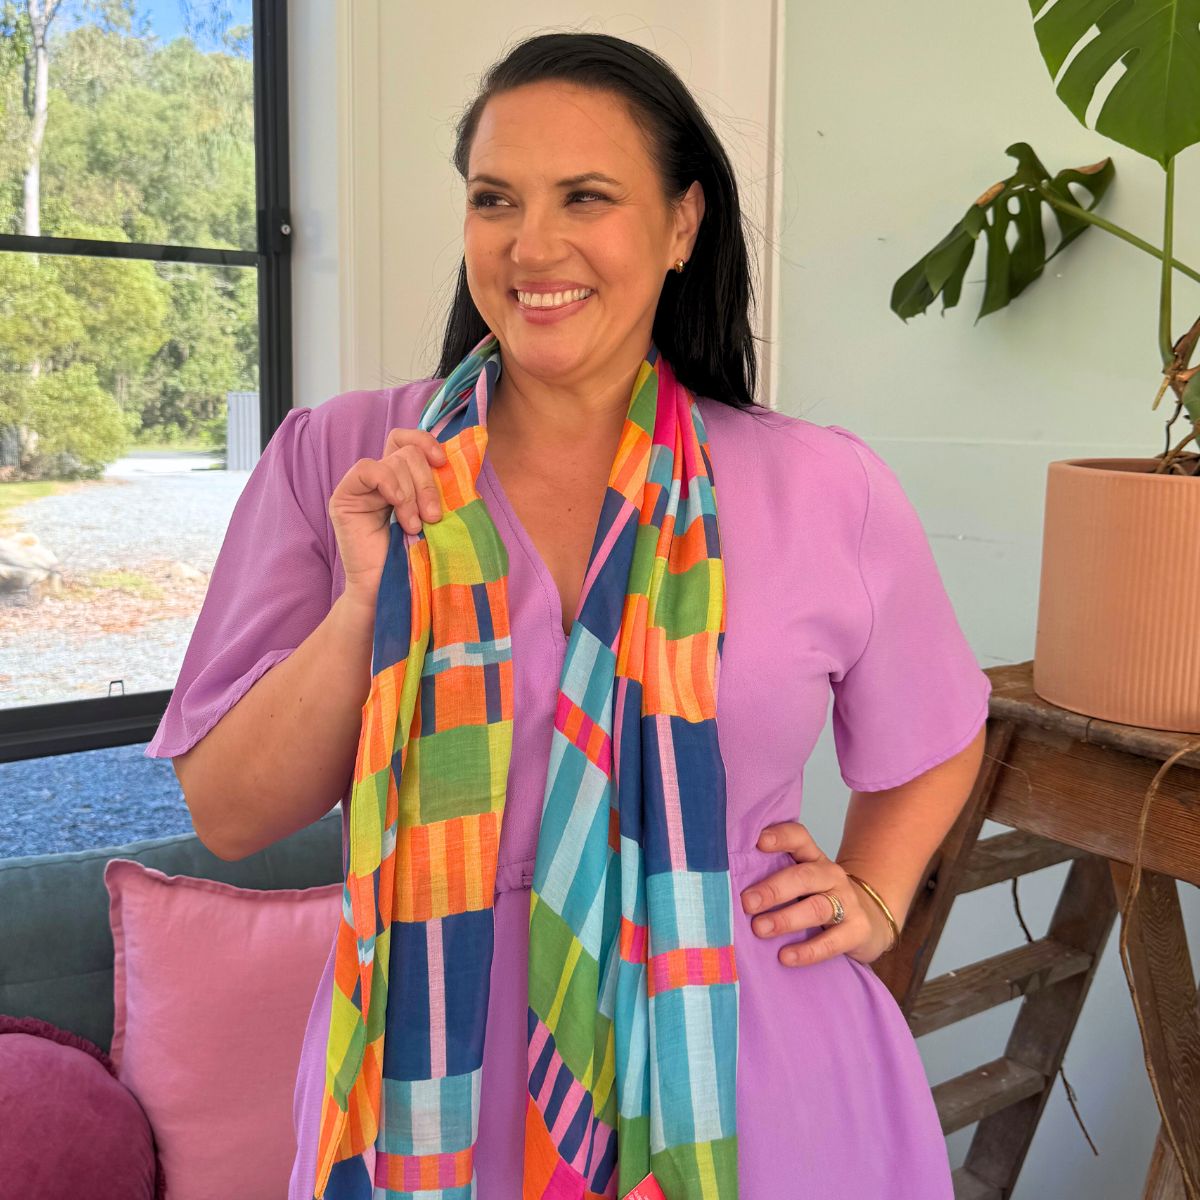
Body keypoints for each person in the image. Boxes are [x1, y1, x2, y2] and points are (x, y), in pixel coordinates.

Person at [145, 31, 991, 1200]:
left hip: (749, 1080)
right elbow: (231, 814)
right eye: (495, 199)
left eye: (585, 197)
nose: (531, 245)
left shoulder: (823, 486)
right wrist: (364, 604)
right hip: (429, 1088)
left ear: (683, 224)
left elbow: (939, 728)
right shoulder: (342, 458)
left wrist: (879, 890)